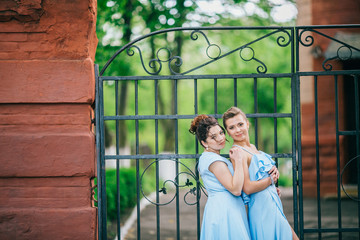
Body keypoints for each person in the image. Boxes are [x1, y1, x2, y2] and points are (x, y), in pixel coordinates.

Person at [222, 106, 299, 240]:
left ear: (247, 123)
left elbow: (258, 174)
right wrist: (270, 180)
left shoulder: (252, 147)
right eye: (232, 127)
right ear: (228, 132)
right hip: (262, 208)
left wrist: (270, 186)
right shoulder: (237, 152)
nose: (238, 130)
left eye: (240, 124)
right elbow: (247, 187)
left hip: (271, 202)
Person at [189, 114, 251, 240]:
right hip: (225, 212)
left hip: (226, 209)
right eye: (213, 137)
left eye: (221, 133)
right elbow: (235, 189)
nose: (220, 138)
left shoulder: (211, 157)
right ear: (204, 142)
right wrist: (238, 161)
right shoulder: (213, 161)